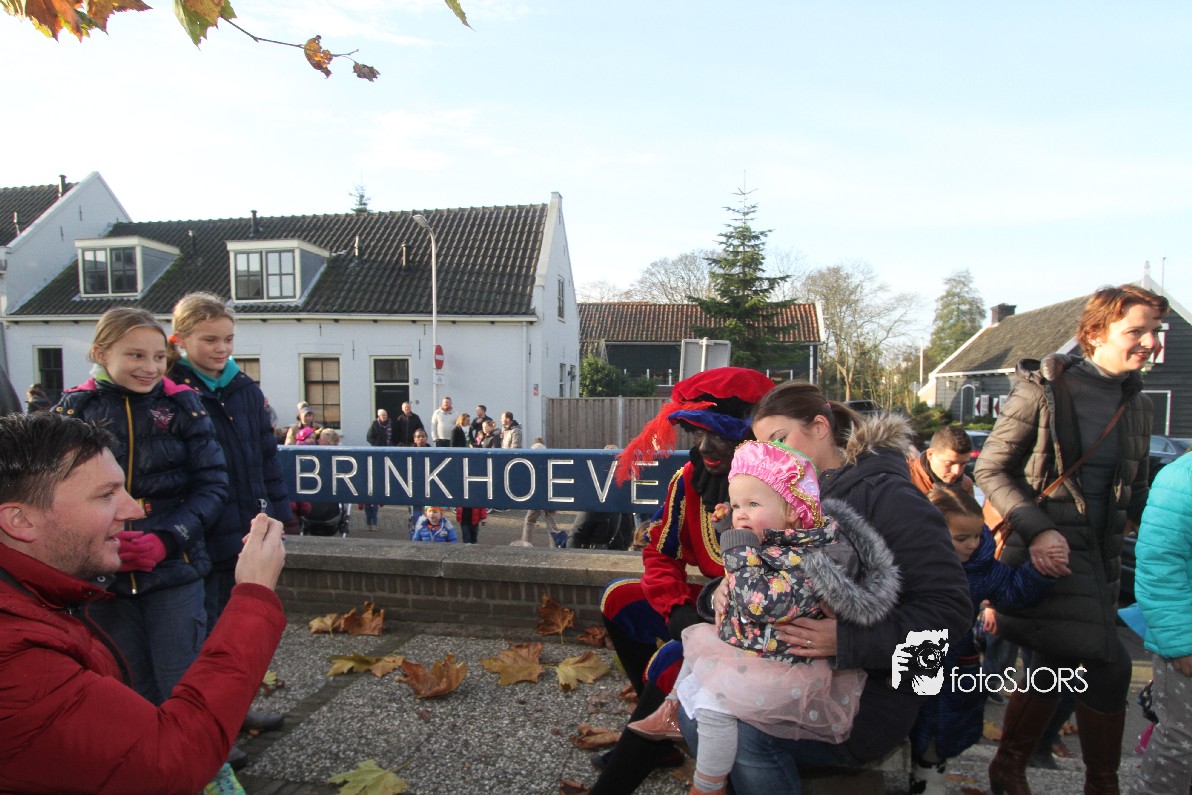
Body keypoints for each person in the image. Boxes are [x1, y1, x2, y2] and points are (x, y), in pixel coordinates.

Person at [679, 381, 971, 794]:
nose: (774, 453)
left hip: (873, 691)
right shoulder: (788, 491)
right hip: (781, 665)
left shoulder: (890, 497)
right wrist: (719, 594)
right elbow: (769, 567)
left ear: (819, 427)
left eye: (780, 439)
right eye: (765, 445)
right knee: (695, 707)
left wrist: (847, 640)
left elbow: (951, 611)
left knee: (740, 734)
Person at [0, 411, 286, 795]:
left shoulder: (36, 599)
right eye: (106, 495)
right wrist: (254, 595)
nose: (134, 510)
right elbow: (170, 761)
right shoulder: (15, 656)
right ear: (20, 520)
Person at [976, 283, 1168, 795]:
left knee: (1056, 662)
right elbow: (990, 469)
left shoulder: (1139, 404)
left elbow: (1138, 491)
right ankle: (1102, 783)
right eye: (1136, 331)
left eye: (1155, 331)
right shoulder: (1042, 391)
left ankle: (1008, 766)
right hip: (1051, 555)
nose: (1150, 342)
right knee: (1109, 663)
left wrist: (1169, 535)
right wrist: (1039, 531)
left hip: (1102, 560)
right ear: (1096, 333)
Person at [631, 441, 900, 795]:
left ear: (792, 510)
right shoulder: (773, 543)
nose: (740, 515)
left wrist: (738, 556)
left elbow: (760, 603)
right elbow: (745, 583)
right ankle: (671, 706)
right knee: (695, 645)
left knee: (713, 707)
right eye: (737, 505)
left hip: (782, 665)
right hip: (755, 646)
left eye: (752, 505)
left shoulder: (811, 559)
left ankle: (708, 785)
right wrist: (722, 586)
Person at [51, 308, 233, 791]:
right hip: (101, 580)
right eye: (135, 355)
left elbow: (213, 486)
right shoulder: (72, 412)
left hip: (174, 570)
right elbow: (51, 493)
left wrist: (166, 539)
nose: (150, 367)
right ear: (101, 353)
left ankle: (205, 773)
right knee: (124, 685)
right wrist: (97, 543)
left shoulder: (185, 408)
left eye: (157, 357)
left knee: (184, 681)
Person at [590, 366, 776, 794]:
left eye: (719, 435)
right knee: (619, 599)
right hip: (711, 606)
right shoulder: (690, 480)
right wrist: (675, 608)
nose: (705, 447)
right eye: (696, 433)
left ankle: (636, 757)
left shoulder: (779, 489)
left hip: (763, 620)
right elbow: (660, 551)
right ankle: (659, 732)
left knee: (672, 659)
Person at [167, 292, 293, 756]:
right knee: (202, 633)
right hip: (202, 530)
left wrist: (280, 512)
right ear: (180, 341)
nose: (221, 349)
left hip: (246, 524)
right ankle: (209, 728)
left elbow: (266, 456)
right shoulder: (170, 392)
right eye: (210, 340)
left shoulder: (245, 389)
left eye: (228, 339)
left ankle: (235, 711)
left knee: (239, 628)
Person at [908, 486, 1054, 794]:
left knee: (940, 733)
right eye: (962, 538)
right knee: (908, 722)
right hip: (913, 661)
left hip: (956, 664)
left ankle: (929, 780)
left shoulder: (980, 567)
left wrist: (1040, 572)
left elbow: (1012, 591)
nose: (973, 544)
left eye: (977, 535)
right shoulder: (908, 562)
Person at [1130, 449, 1192, 794]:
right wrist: (1181, 642)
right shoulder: (1182, 478)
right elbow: (1159, 566)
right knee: (1181, 743)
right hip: (1186, 640)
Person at [908, 425, 975, 496]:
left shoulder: (966, 484)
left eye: (963, 464)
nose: (956, 472)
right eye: (950, 463)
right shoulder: (906, 479)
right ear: (930, 454)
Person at [522, 437, 566, 547]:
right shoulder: (551, 464)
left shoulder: (533, 465)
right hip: (551, 494)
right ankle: (554, 545)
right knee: (550, 521)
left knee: (529, 520)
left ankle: (526, 542)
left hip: (538, 496)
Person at [364, 409, 393, 531]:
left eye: (386, 415)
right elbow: (369, 437)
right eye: (382, 415)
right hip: (378, 451)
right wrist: (377, 444)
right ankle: (369, 524)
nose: (384, 417)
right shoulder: (375, 425)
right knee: (369, 505)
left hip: (390, 450)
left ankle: (374, 524)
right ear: (378, 416)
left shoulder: (391, 424)